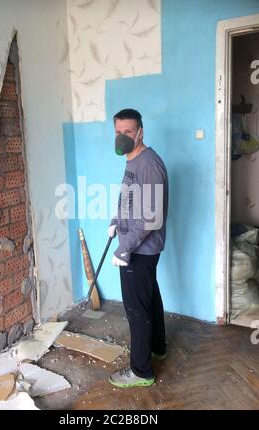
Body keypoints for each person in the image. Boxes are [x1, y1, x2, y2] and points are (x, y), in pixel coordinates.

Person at [108, 108, 168, 388]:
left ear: (140, 132)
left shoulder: (149, 164)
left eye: (128, 132)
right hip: (135, 244)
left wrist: (125, 248)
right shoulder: (132, 160)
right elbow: (129, 199)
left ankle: (141, 372)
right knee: (149, 299)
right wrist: (115, 221)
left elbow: (151, 217)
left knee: (136, 309)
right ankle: (157, 346)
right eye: (118, 132)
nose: (122, 137)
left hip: (141, 249)